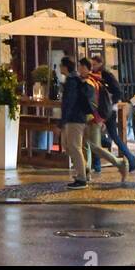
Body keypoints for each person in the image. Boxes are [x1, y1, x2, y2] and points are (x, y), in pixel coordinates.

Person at [83, 54, 135, 174]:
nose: (93, 67)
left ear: (100, 64)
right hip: (101, 110)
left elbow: (117, 91)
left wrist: (111, 103)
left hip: (108, 110)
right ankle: (96, 165)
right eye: (92, 65)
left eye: (95, 64)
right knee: (96, 137)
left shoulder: (106, 75)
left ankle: (130, 158)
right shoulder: (94, 76)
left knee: (112, 135)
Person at [59, 55, 91, 189]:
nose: (60, 67)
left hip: (75, 118)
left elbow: (69, 103)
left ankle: (82, 178)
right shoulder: (73, 79)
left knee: (74, 146)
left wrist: (62, 121)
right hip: (76, 118)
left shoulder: (72, 81)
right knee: (70, 145)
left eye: (61, 65)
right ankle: (83, 171)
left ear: (65, 67)